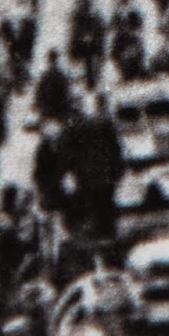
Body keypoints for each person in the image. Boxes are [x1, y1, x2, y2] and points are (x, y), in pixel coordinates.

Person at [67, 94, 125, 245]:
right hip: (105, 175)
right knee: (106, 204)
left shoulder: (74, 130)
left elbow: (70, 156)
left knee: (95, 205)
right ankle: (109, 235)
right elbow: (116, 149)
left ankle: (101, 235)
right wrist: (118, 170)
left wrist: (73, 173)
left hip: (88, 177)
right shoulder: (104, 125)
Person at [35, 48, 76, 123]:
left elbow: (39, 92)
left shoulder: (47, 76)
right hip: (57, 108)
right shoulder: (58, 75)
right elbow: (67, 92)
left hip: (51, 108)